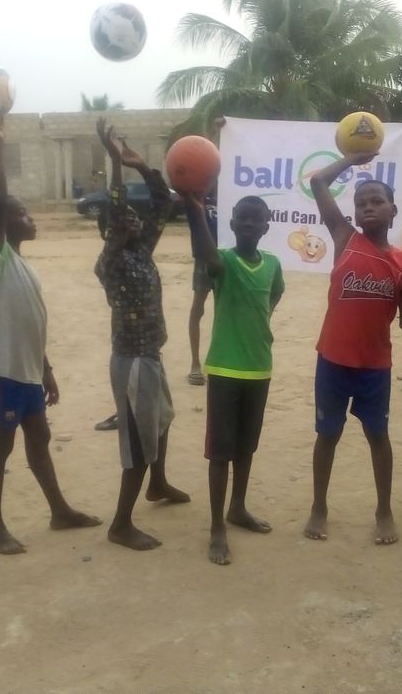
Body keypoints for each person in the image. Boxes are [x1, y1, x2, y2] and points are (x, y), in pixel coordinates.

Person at [0, 114, 100, 556]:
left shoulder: (23, 265)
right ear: (2, 225)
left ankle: (59, 511)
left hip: (27, 372)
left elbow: (33, 325)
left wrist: (46, 369)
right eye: (21, 214)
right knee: (1, 446)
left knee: (40, 439)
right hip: (4, 372)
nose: (31, 218)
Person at [303, 150, 402, 546]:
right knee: (328, 435)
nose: (368, 207)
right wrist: (351, 158)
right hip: (333, 362)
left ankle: (384, 511)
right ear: (355, 214)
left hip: (375, 367)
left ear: (395, 211)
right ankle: (319, 506)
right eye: (362, 203)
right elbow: (317, 182)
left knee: (378, 436)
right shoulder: (345, 239)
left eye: (377, 201)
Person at [94, 118, 189, 551]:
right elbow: (117, 210)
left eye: (134, 216)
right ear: (110, 232)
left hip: (150, 356)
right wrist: (114, 163)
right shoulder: (112, 261)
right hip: (133, 362)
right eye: (124, 219)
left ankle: (159, 483)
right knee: (136, 443)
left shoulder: (140, 251)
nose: (133, 219)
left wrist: (141, 166)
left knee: (162, 421)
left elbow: (164, 202)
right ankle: (120, 524)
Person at [186, 191, 283, 565]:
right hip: (225, 370)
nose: (249, 223)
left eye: (256, 218)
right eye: (243, 217)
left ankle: (238, 508)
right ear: (231, 223)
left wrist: (256, 328)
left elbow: (272, 299)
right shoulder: (223, 261)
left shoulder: (273, 265)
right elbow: (206, 255)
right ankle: (216, 527)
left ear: (266, 227)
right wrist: (195, 210)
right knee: (220, 452)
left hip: (259, 369)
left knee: (246, 447)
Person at [186, 188, 217, 386]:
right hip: (204, 258)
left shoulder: (229, 194)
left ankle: (218, 361)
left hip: (227, 256)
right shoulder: (195, 196)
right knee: (197, 309)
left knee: (224, 311)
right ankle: (195, 363)